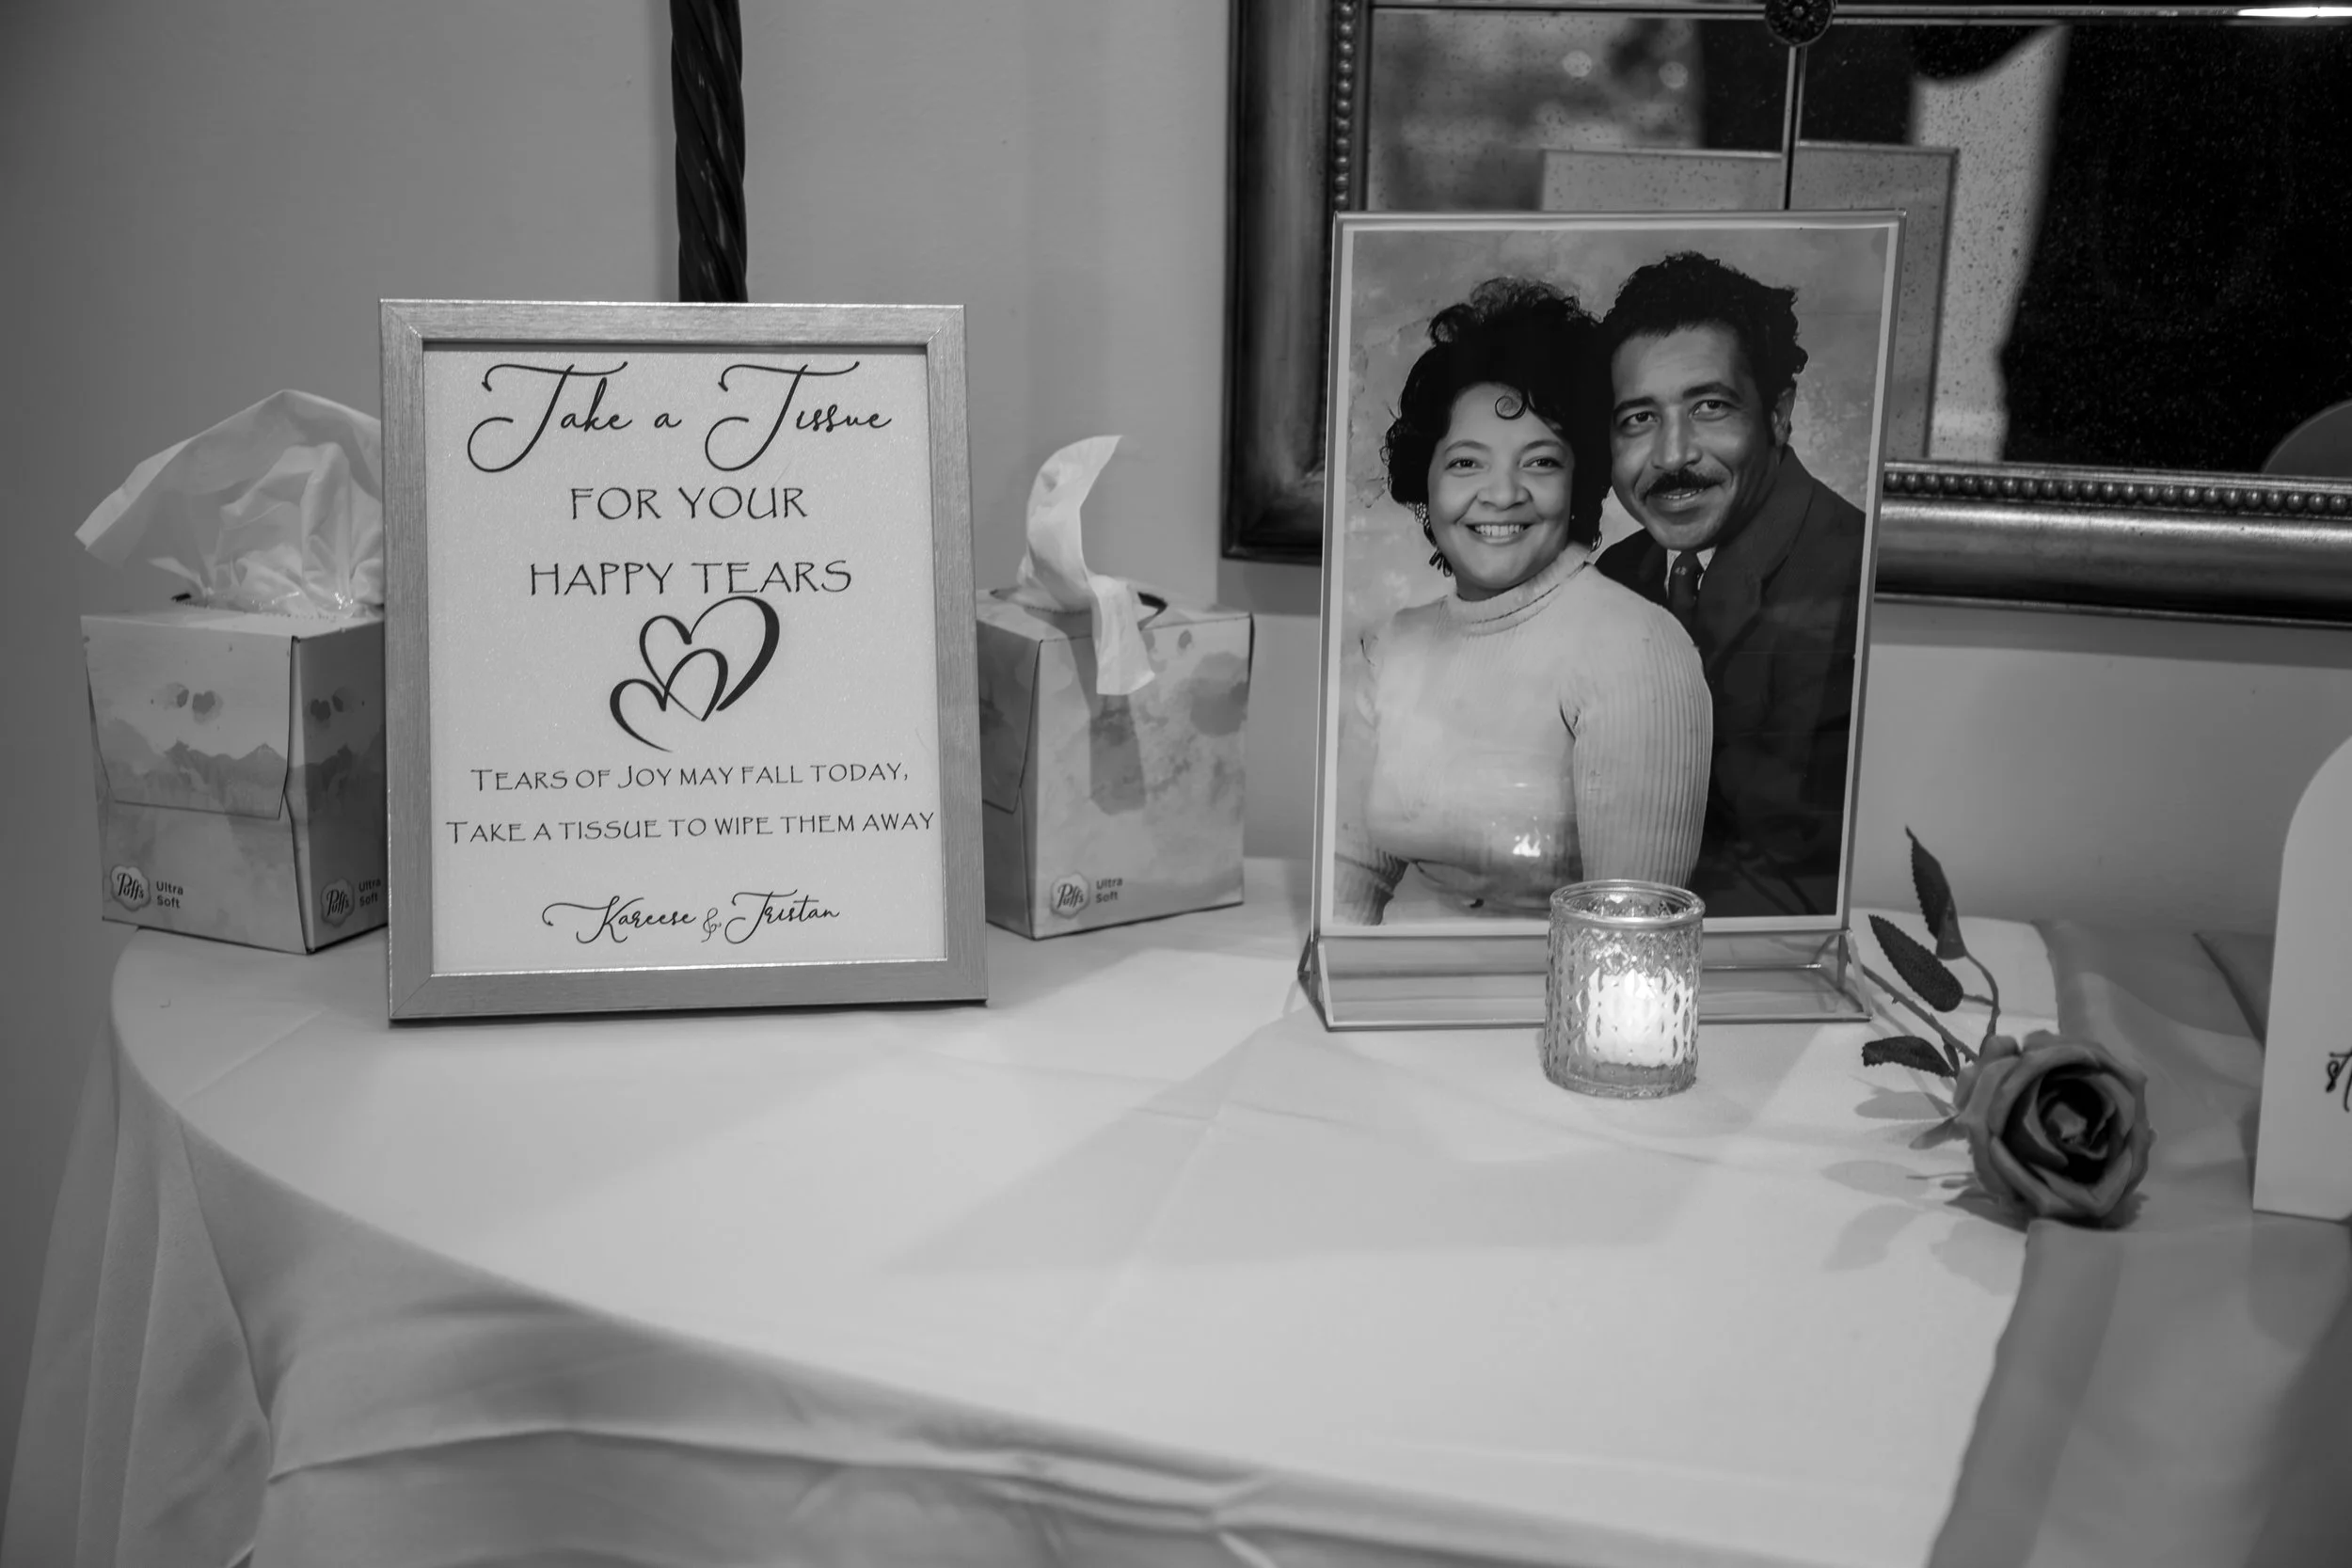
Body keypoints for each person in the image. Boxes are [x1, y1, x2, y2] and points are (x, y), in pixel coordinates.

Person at [1333, 277, 1710, 927]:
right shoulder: (1387, 647)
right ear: (1425, 480)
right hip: (1396, 998)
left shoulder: (1636, 649)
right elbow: (1350, 880)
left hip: (1554, 1012)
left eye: (1538, 462)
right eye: (1465, 464)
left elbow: (1630, 933)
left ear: (1581, 479)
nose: (1501, 495)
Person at [1597, 252, 1865, 919]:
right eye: (1639, 418)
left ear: (1777, 414)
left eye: (1710, 406)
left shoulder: (1853, 579)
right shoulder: (1614, 576)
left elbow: (1800, 878)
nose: (1672, 455)